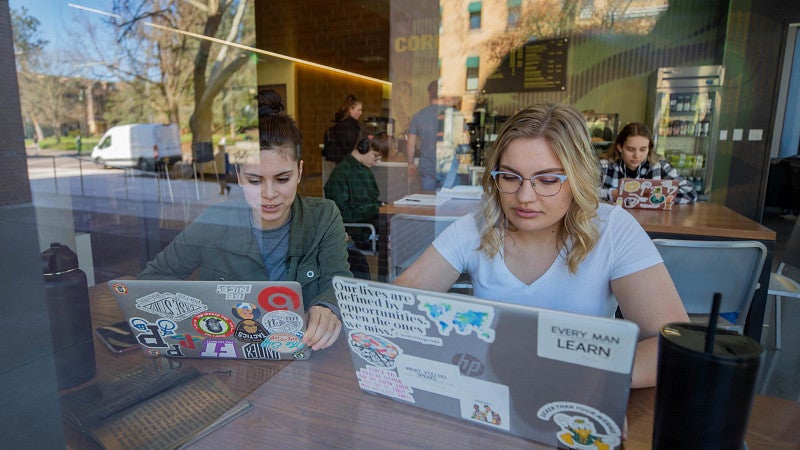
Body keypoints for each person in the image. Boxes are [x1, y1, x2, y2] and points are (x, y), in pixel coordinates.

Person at [394, 103, 689, 388]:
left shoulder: (613, 229)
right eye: (509, 177)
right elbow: (398, 304)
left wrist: (593, 379)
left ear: (578, 178)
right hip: (491, 397)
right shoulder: (478, 226)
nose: (524, 196)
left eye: (547, 180)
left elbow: (675, 346)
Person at [139, 90, 350, 351]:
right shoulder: (214, 222)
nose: (269, 194)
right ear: (239, 177)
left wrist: (327, 307)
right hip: (230, 363)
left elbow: (337, 280)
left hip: (301, 358)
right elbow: (155, 279)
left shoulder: (324, 216)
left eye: (282, 179)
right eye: (254, 180)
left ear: (300, 171)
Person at [324, 124, 390, 249]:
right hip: (360, 233)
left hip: (370, 229)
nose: (378, 162)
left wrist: (381, 206)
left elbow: (369, 203)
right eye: (376, 156)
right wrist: (376, 208)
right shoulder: (340, 174)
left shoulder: (365, 171)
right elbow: (341, 214)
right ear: (363, 147)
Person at [598, 122, 697, 203]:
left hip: (651, 223)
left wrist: (654, 196)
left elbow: (691, 193)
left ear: (649, 148)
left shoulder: (660, 167)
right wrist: (612, 194)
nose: (637, 155)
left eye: (643, 149)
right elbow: (584, 193)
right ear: (620, 147)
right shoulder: (604, 166)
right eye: (630, 149)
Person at [406, 80, 445, 191]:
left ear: (429, 94)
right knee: (448, 203)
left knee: (428, 202)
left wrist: (410, 163)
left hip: (427, 167)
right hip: (447, 167)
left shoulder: (418, 116)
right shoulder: (452, 114)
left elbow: (410, 143)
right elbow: (465, 137)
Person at [322, 93, 363, 164]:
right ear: (351, 110)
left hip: (341, 163)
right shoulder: (348, 126)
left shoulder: (342, 124)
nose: (361, 113)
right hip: (348, 164)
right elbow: (350, 146)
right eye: (358, 110)